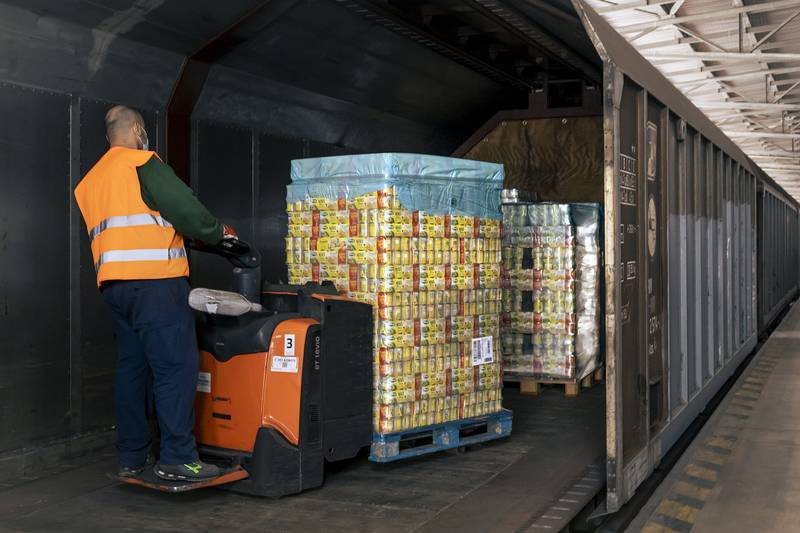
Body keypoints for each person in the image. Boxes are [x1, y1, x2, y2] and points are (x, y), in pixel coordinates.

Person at [74, 105, 236, 481]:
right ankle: (178, 458)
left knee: (133, 369)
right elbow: (186, 210)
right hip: (156, 284)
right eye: (143, 129)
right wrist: (217, 233)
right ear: (135, 128)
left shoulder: (91, 181)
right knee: (175, 367)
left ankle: (132, 456)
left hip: (115, 287)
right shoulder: (142, 162)